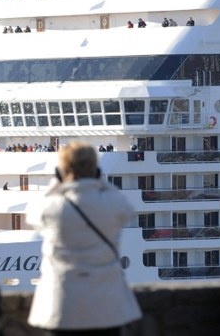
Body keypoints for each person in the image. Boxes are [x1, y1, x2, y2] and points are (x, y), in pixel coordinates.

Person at [27, 142, 141, 335]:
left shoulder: (51, 206)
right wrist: (100, 181)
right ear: (95, 169)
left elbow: (32, 216)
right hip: (106, 306)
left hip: (62, 305)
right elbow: (127, 210)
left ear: (62, 171)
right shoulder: (112, 203)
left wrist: (57, 184)